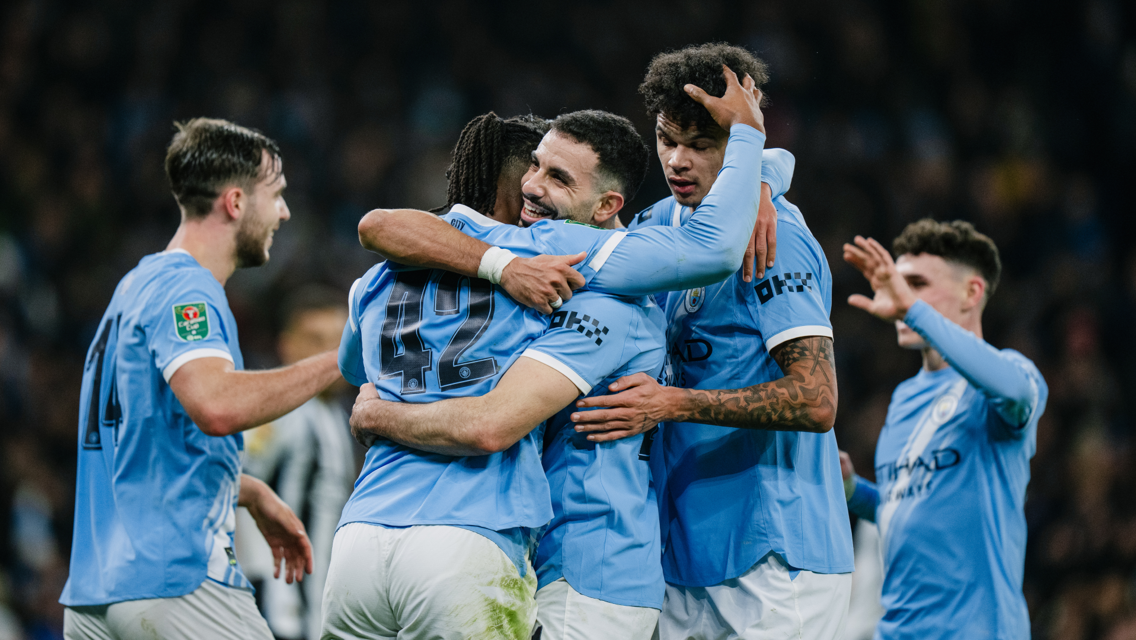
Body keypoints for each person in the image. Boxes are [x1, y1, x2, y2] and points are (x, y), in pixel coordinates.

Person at [325, 73, 774, 640]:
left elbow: (372, 261)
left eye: (557, 177)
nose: (534, 187)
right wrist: (753, 156)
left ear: (607, 204)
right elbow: (381, 226)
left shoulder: (386, 275)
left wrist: (761, 175)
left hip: (568, 565)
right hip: (492, 543)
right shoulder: (535, 253)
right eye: (533, 167)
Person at [570, 43, 853, 639]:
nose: (677, 161)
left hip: (773, 557)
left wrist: (670, 404)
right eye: (667, 139)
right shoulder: (657, 227)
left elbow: (816, 399)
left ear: (743, 140)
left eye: (701, 145)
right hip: (679, 555)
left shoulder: (775, 242)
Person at [60, 118, 340, 640]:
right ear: (235, 203)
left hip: (95, 593)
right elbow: (216, 405)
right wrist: (341, 359)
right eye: (276, 195)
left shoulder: (134, 288)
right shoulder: (188, 290)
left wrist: (249, 490)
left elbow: (141, 451)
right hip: (176, 580)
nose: (283, 212)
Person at [839, 219, 1047, 639]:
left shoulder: (1007, 376)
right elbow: (906, 507)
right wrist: (852, 490)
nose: (898, 293)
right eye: (896, 282)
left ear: (972, 292)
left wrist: (913, 311)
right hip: (897, 631)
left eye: (916, 283)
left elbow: (1015, 392)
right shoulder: (902, 398)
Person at [239, 286, 356, 640]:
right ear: (287, 344)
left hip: (312, 607)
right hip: (278, 607)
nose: (332, 353)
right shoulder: (279, 412)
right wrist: (258, 581)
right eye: (316, 340)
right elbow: (237, 486)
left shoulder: (333, 413)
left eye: (339, 340)